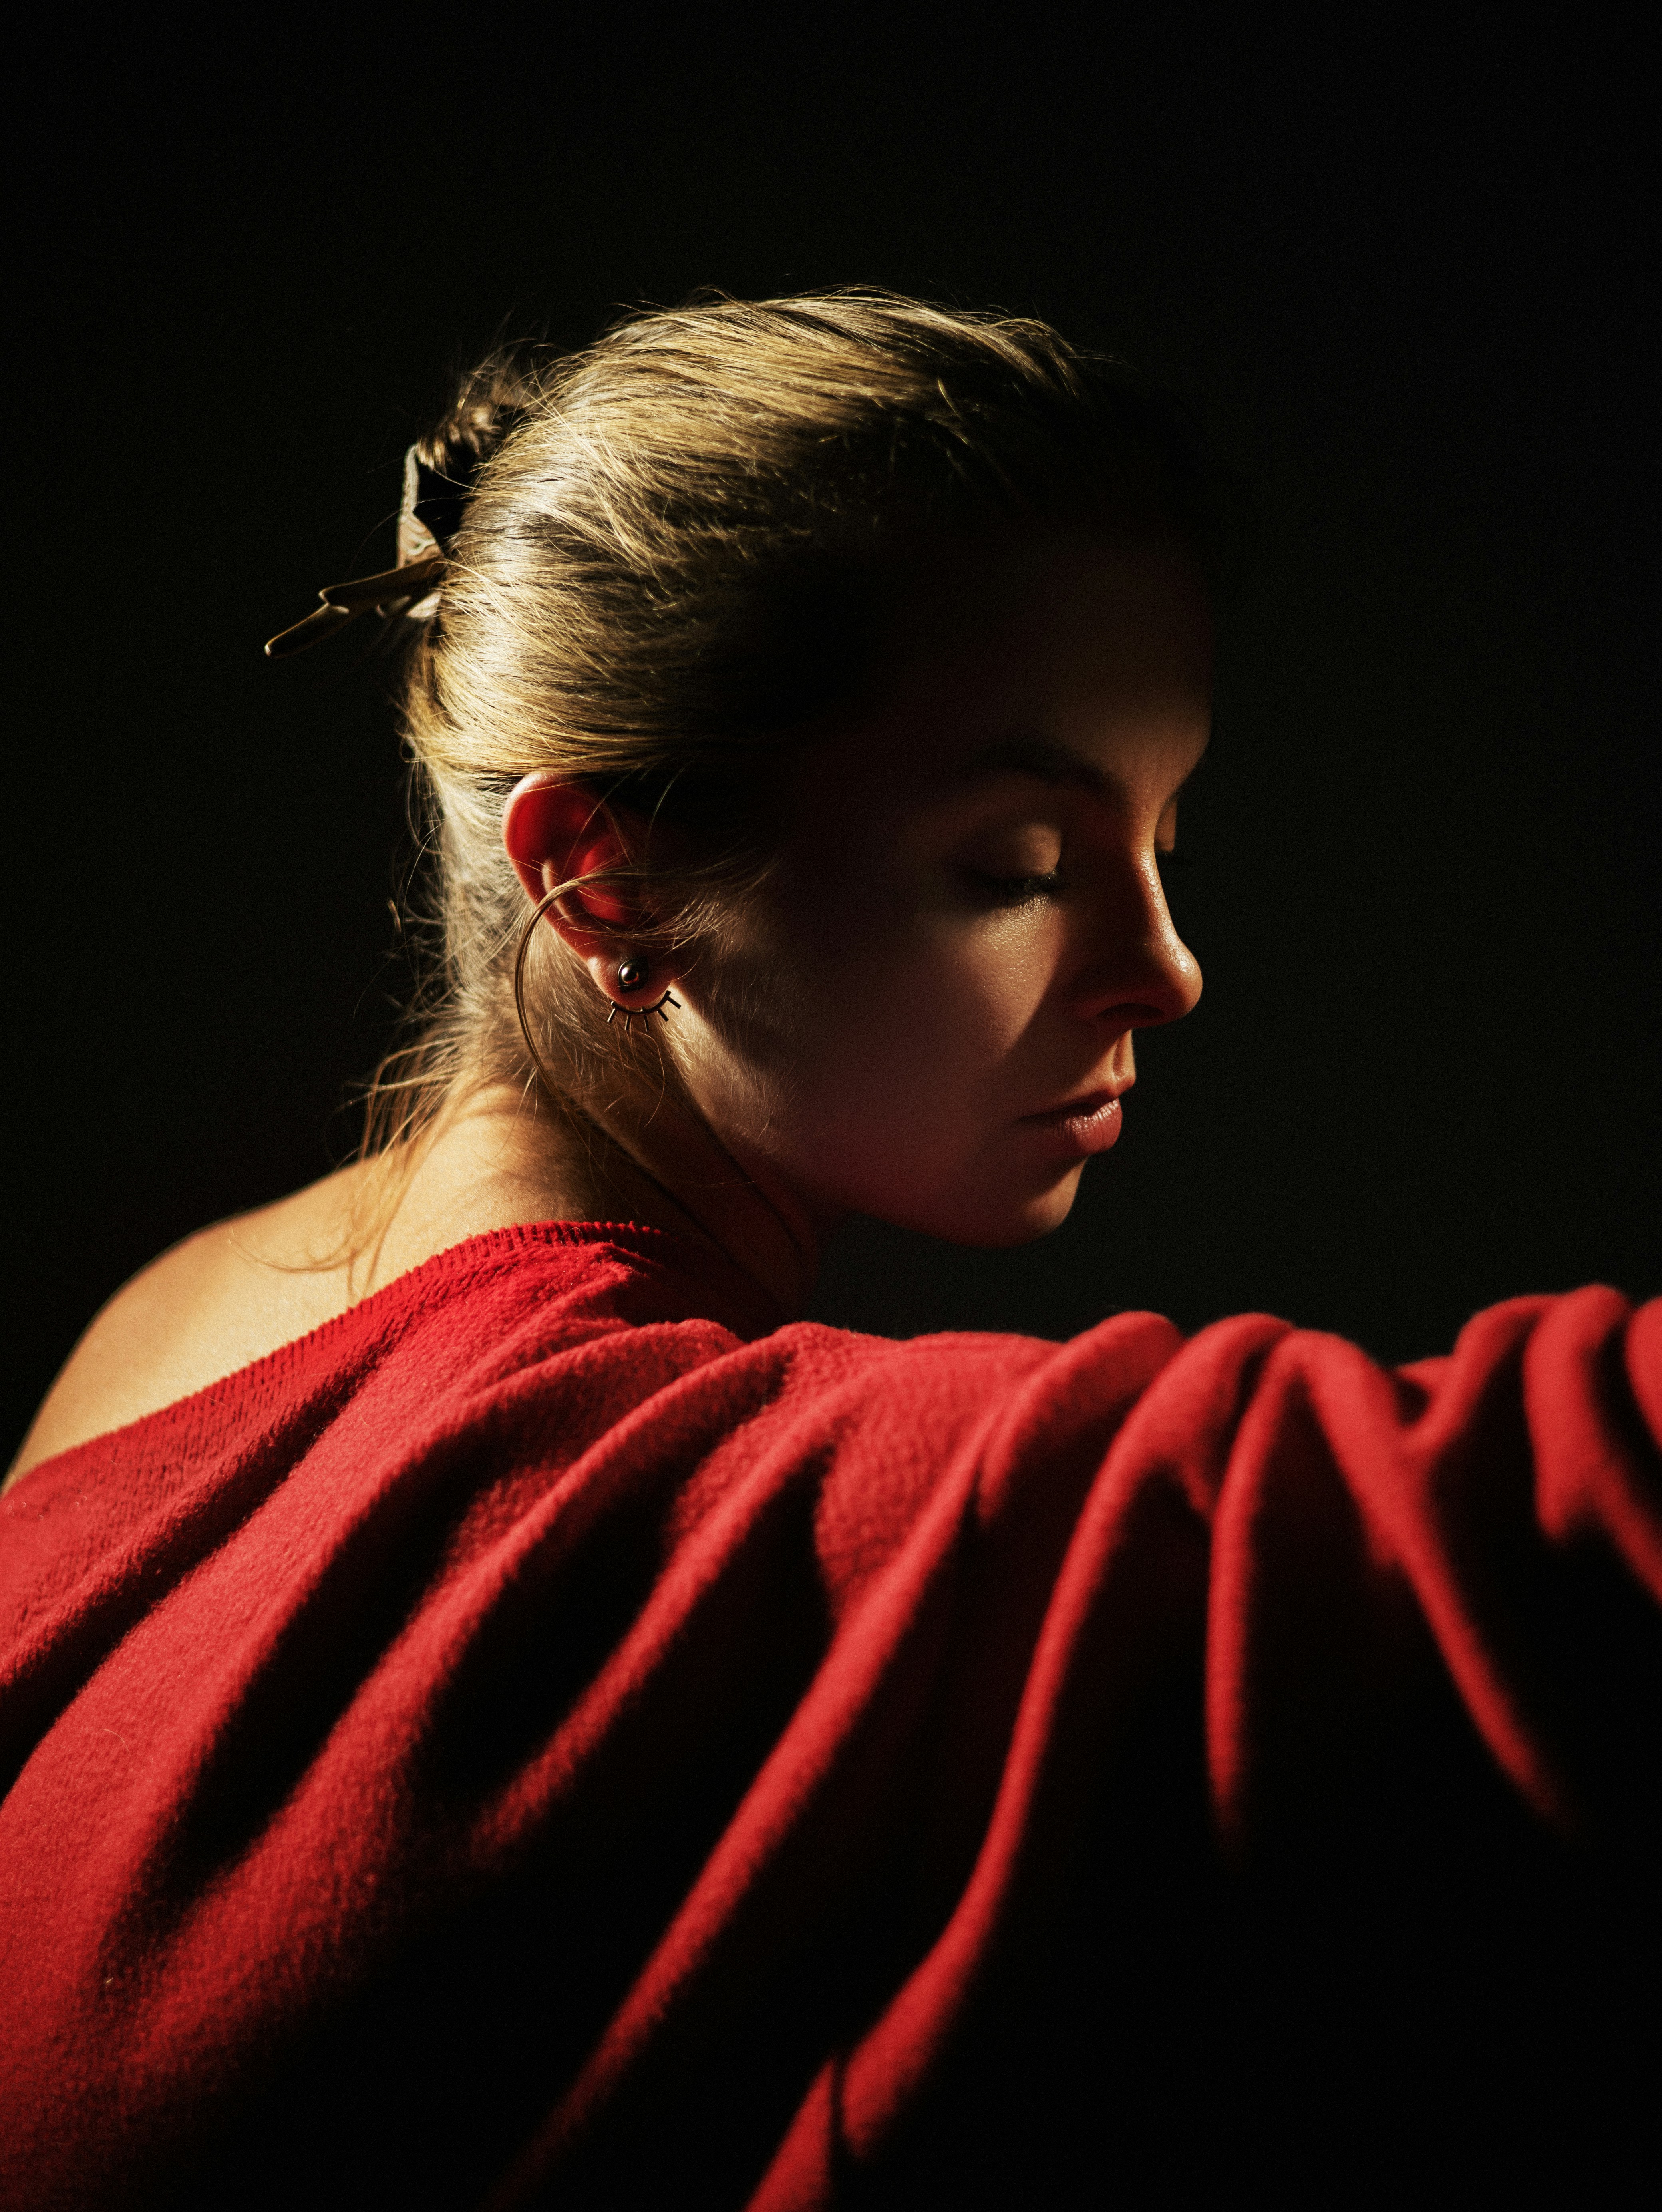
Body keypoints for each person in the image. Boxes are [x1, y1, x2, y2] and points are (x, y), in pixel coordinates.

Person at [2, 292, 1657, 2211]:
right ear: (606, 880)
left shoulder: (174, 1324)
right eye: (1019, 868)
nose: (1165, 970)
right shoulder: (753, 1519)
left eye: (1164, 839)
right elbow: (1563, 1503)